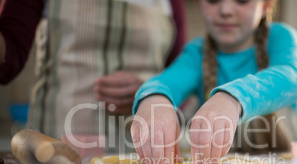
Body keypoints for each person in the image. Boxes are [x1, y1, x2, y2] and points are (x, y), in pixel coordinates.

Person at [131, 0, 297, 164]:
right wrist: (153, 99)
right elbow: (164, 83)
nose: (226, 10)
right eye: (213, 0)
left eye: (242, 1)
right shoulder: (196, 54)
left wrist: (232, 99)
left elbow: (291, 77)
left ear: (266, 5)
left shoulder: (279, 37)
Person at [0, 0, 185, 151]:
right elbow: (8, 60)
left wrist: (148, 92)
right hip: (57, 148)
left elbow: (180, 76)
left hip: (139, 155)